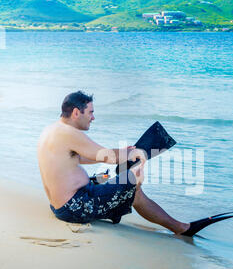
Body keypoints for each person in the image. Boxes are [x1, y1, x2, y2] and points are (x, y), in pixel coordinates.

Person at [38, 91, 191, 235]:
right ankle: (180, 228)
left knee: (107, 176)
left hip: (63, 205)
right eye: (90, 112)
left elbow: (80, 158)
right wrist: (132, 154)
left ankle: (174, 224)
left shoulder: (52, 130)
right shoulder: (69, 133)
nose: (93, 117)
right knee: (131, 184)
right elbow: (106, 156)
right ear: (76, 113)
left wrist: (122, 154)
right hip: (75, 208)